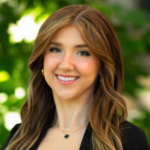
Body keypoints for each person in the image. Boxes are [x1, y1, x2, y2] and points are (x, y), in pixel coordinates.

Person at [1, 4, 149, 150]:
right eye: (55, 49)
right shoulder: (19, 137)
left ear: (102, 66)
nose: (66, 65)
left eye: (83, 52)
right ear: (41, 60)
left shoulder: (126, 140)